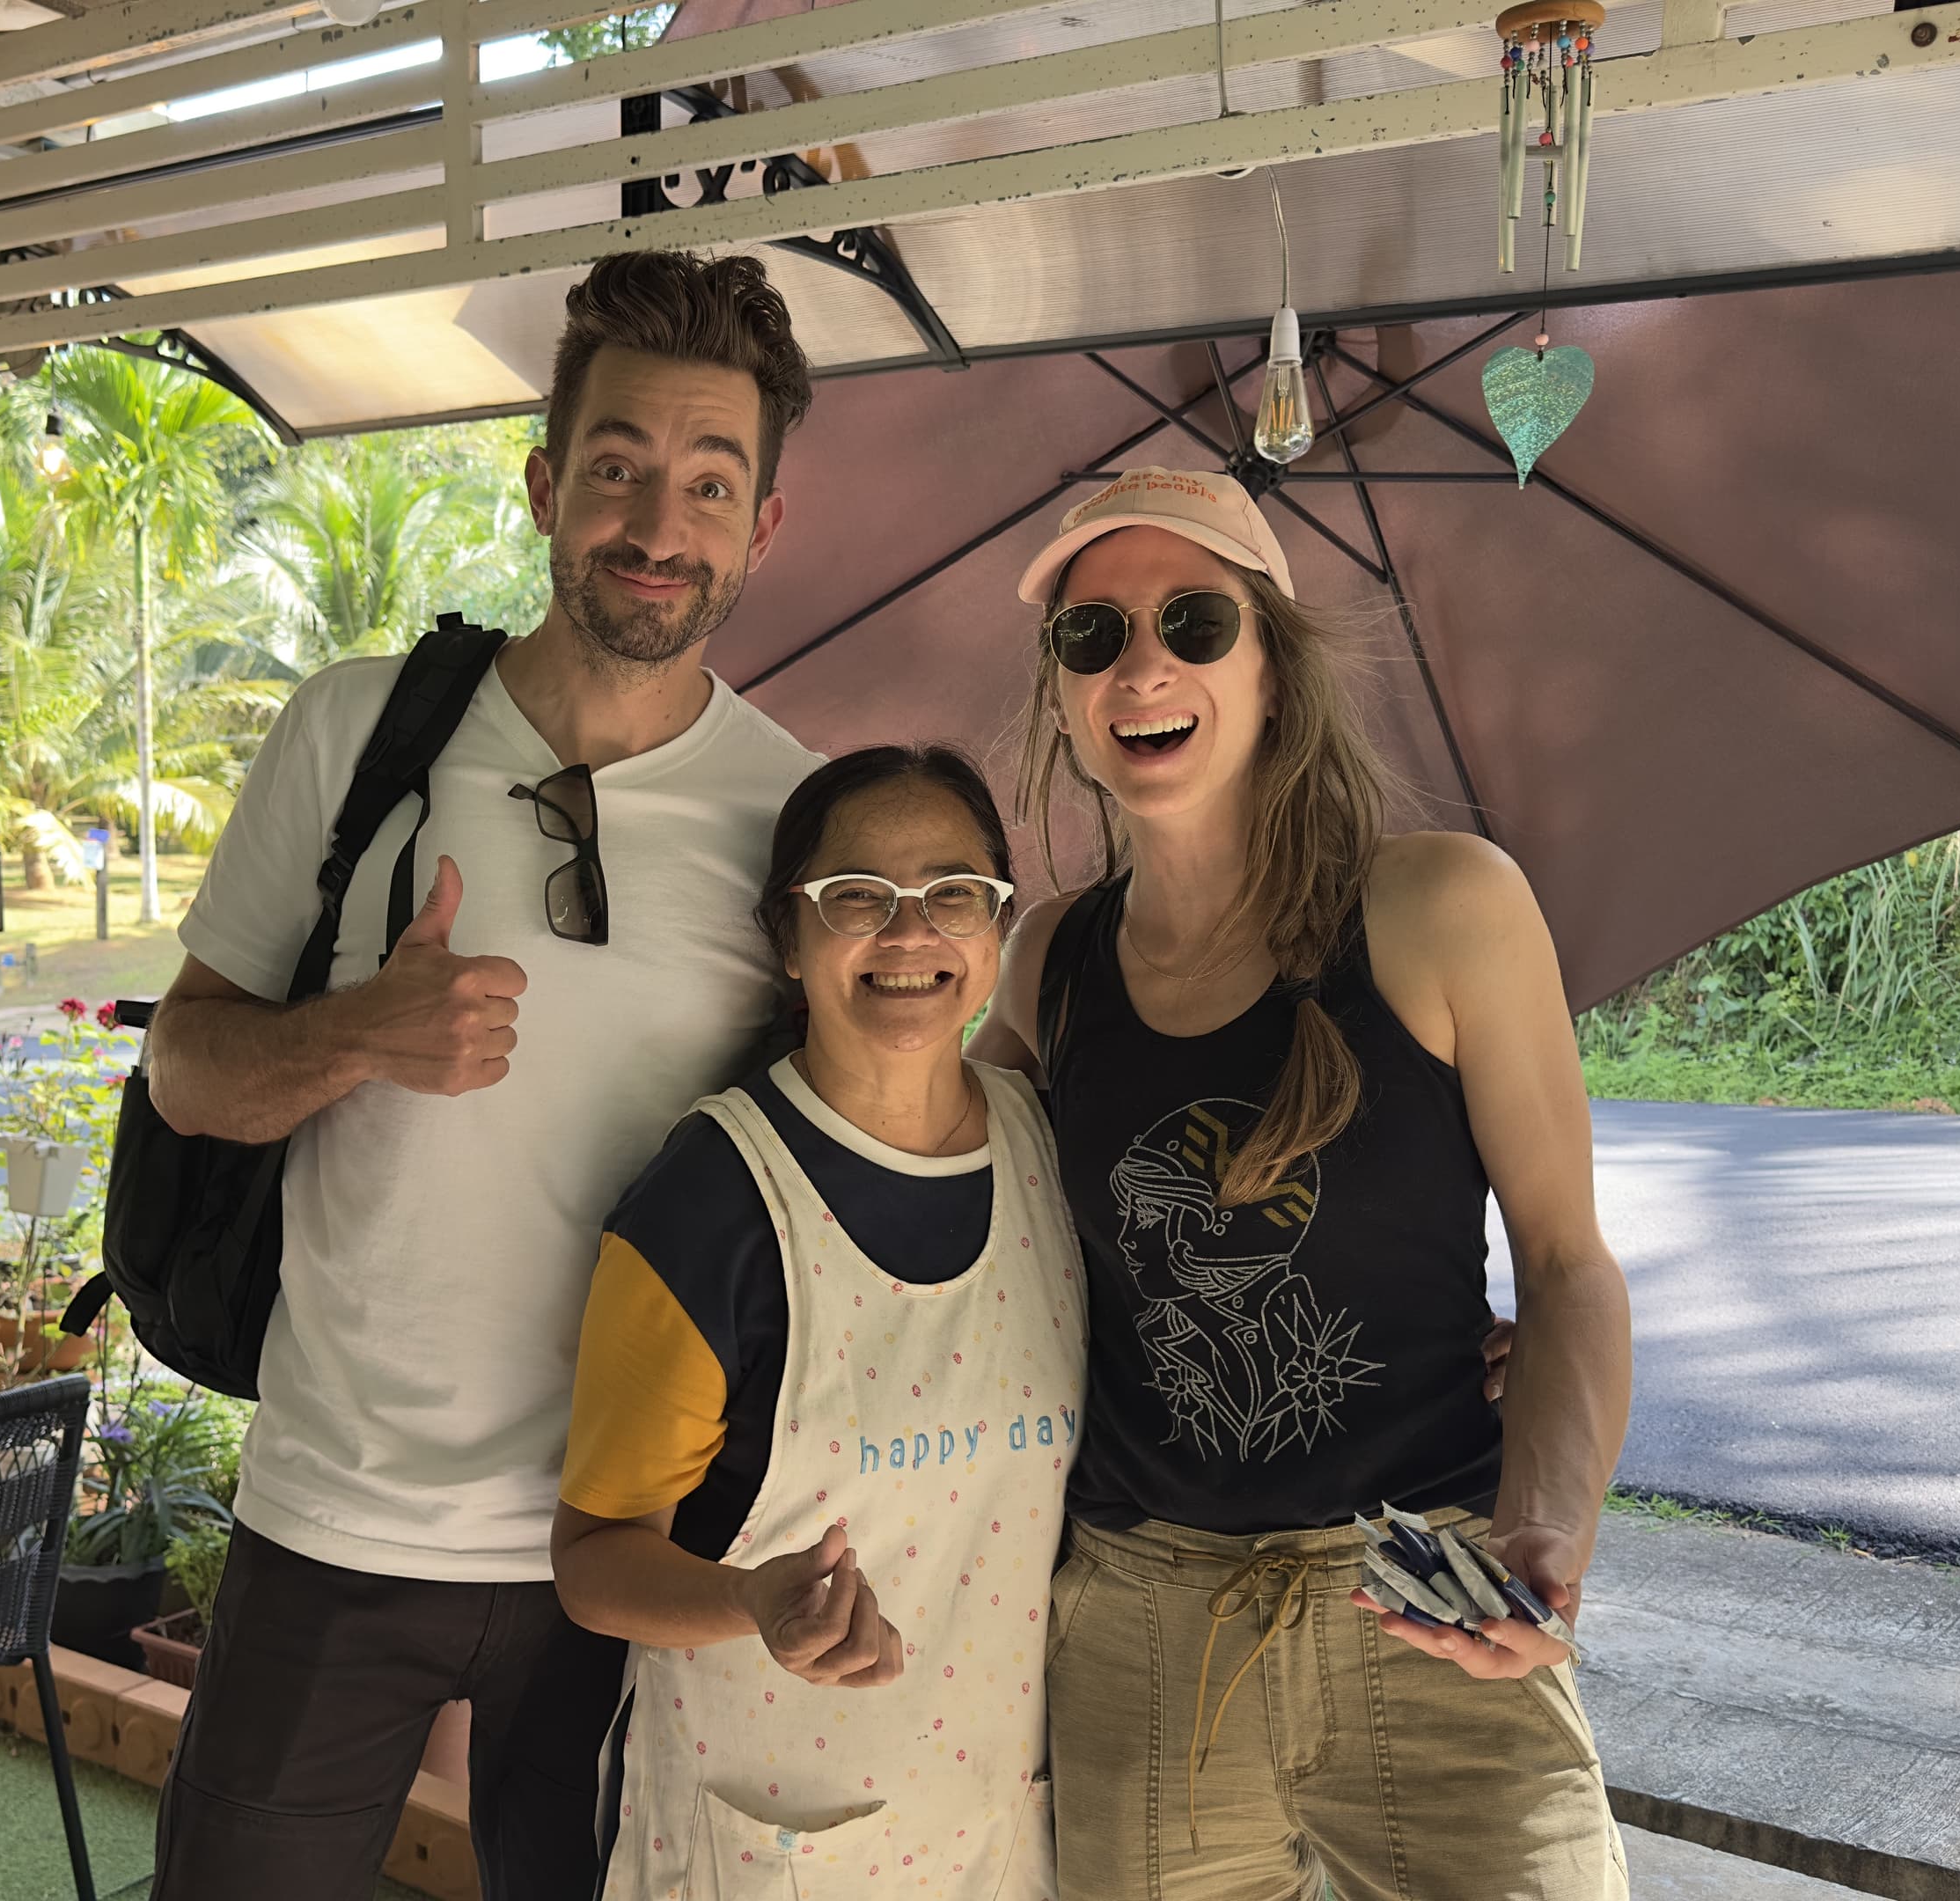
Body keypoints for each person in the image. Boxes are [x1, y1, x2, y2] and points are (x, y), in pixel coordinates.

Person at [139, 250, 827, 1897]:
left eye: (709, 483)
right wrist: (355, 1035)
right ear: (542, 484)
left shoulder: (797, 819)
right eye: (617, 469)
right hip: (335, 1518)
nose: (657, 524)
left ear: (762, 529)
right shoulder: (357, 734)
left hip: (631, 1551)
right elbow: (183, 1070)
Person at [970, 467, 1635, 1899]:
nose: (1142, 664)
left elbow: (1569, 1265)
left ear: (1272, 663)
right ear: (1065, 694)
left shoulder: (1444, 906)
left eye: (1193, 623)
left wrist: (1547, 1531)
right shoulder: (1048, 962)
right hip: (1144, 1626)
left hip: (1429, 1593)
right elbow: (931, 1194)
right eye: (1093, 637)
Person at [554, 745, 1083, 1900]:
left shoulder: (1046, 1146)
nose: (909, 936)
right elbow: (593, 1565)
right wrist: (750, 1598)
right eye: (857, 899)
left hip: (997, 1829)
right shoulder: (710, 1205)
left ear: (996, 930)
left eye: (953, 895)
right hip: (760, 1840)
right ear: (789, 941)